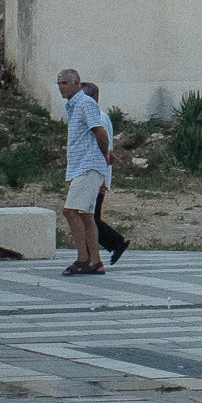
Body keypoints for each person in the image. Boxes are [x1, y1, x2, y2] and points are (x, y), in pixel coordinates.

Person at [55, 68, 112, 276]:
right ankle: (94, 261)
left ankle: (82, 257)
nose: (61, 88)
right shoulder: (73, 106)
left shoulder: (85, 103)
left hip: (88, 165)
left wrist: (103, 158)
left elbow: (100, 132)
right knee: (86, 215)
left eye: (65, 83)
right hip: (81, 165)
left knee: (70, 211)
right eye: (59, 84)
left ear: (76, 83)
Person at [81, 82, 128, 266]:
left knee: (89, 217)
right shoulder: (97, 117)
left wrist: (101, 178)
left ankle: (112, 244)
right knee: (88, 216)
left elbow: (103, 149)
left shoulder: (97, 119)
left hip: (96, 174)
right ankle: (106, 247)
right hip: (94, 173)